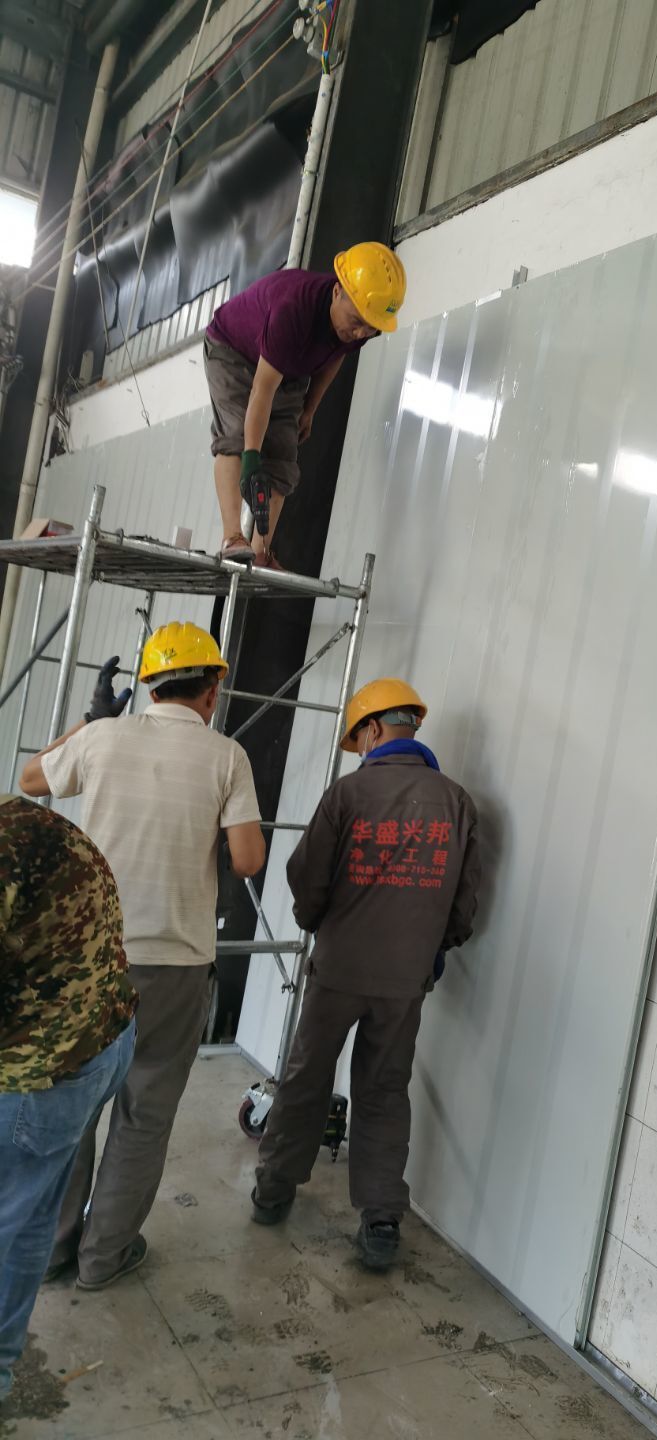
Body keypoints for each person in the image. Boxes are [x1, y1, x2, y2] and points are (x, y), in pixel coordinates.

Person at [19, 622, 265, 1289]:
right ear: (212, 691)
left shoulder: (103, 738)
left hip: (90, 960)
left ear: (149, 687)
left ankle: (52, 1251)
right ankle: (104, 1258)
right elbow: (247, 860)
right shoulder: (227, 757)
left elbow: (32, 778)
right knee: (145, 1114)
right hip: (175, 965)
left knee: (73, 1108)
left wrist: (91, 720)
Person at [250, 679, 480, 1270]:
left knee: (306, 1078)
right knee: (383, 1089)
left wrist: (316, 922)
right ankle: (381, 1220)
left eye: (358, 740)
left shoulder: (348, 794)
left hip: (339, 970)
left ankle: (274, 1190)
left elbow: (307, 878)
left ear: (373, 729)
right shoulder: (456, 802)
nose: (359, 752)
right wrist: (431, 950)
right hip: (405, 982)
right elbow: (464, 905)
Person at [0, 794, 137, 1401]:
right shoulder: (24, 819)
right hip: (102, 1041)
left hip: (36, 1079)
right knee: (31, 1212)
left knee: (18, 1213)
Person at [204, 242, 407, 568]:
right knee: (237, 436)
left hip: (290, 364)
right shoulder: (293, 309)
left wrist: (310, 408)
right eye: (357, 321)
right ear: (338, 292)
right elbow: (262, 390)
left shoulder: (359, 326)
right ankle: (233, 538)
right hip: (233, 350)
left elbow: (335, 356)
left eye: (371, 327)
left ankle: (260, 551)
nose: (361, 332)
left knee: (283, 452)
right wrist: (251, 455)